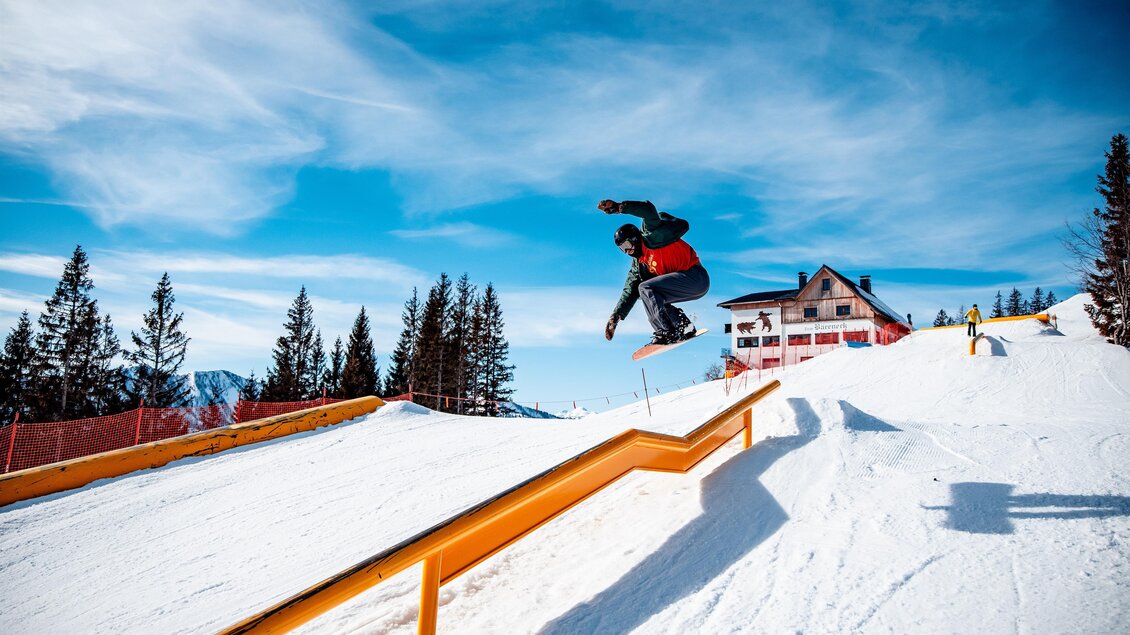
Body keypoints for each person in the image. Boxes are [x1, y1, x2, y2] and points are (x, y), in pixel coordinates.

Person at [600, 199, 710, 346]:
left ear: (634, 238)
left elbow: (648, 211)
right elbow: (629, 291)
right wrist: (616, 316)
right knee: (651, 298)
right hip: (685, 284)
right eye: (622, 249)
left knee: (646, 288)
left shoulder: (652, 234)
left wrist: (620, 208)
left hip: (696, 276)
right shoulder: (639, 264)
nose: (627, 251)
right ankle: (683, 326)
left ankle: (665, 331)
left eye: (627, 245)